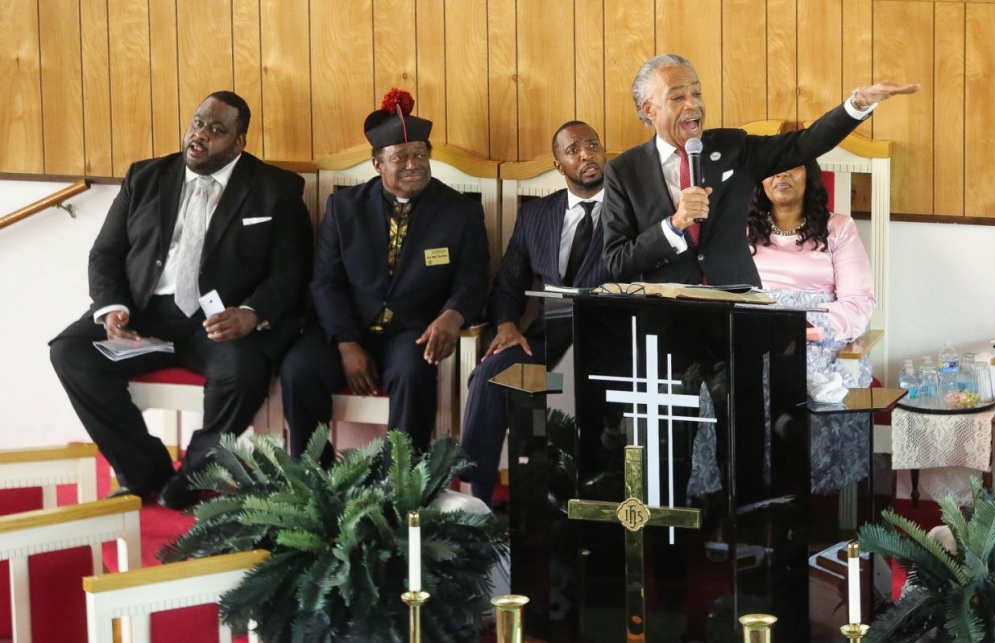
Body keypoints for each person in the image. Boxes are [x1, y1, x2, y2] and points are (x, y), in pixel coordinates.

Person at [49, 91, 313, 509]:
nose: (200, 135)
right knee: (70, 353)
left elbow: (291, 271)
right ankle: (143, 470)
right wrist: (112, 306)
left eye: (216, 129)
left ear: (239, 142)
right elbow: (106, 253)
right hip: (143, 313)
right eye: (197, 123)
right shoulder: (145, 177)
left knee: (242, 372)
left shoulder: (275, 188)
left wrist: (251, 313)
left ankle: (191, 477)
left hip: (218, 321)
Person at [280, 89, 489, 458]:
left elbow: (472, 278)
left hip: (411, 330)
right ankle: (314, 477)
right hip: (346, 327)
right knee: (298, 369)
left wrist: (452, 316)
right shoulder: (344, 208)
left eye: (421, 155)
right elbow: (325, 281)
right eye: (401, 157)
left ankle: (402, 481)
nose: (414, 164)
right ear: (378, 163)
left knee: (414, 373)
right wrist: (346, 343)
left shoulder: (460, 212)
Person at [602, 53, 919, 286]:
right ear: (649, 109)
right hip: (664, 321)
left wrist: (857, 106)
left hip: (735, 308)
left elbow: (804, 144)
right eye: (678, 97)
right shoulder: (623, 172)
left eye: (696, 93)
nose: (693, 104)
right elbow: (617, 263)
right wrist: (674, 225)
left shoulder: (732, 146)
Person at [460, 121, 612, 506]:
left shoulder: (629, 212)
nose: (585, 155)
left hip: (608, 356)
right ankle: (477, 501)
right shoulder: (536, 217)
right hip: (548, 355)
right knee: (492, 374)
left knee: (562, 396)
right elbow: (508, 284)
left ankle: (569, 501)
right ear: (559, 165)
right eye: (573, 150)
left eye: (592, 145)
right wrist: (507, 325)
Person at [748, 159, 876, 492]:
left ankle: (798, 500)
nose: (781, 175)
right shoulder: (741, 230)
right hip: (754, 334)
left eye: (793, 166)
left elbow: (858, 305)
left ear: (811, 176)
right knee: (731, 378)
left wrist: (802, 326)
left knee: (793, 380)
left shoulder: (839, 228)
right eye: (772, 166)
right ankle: (742, 497)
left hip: (820, 340)